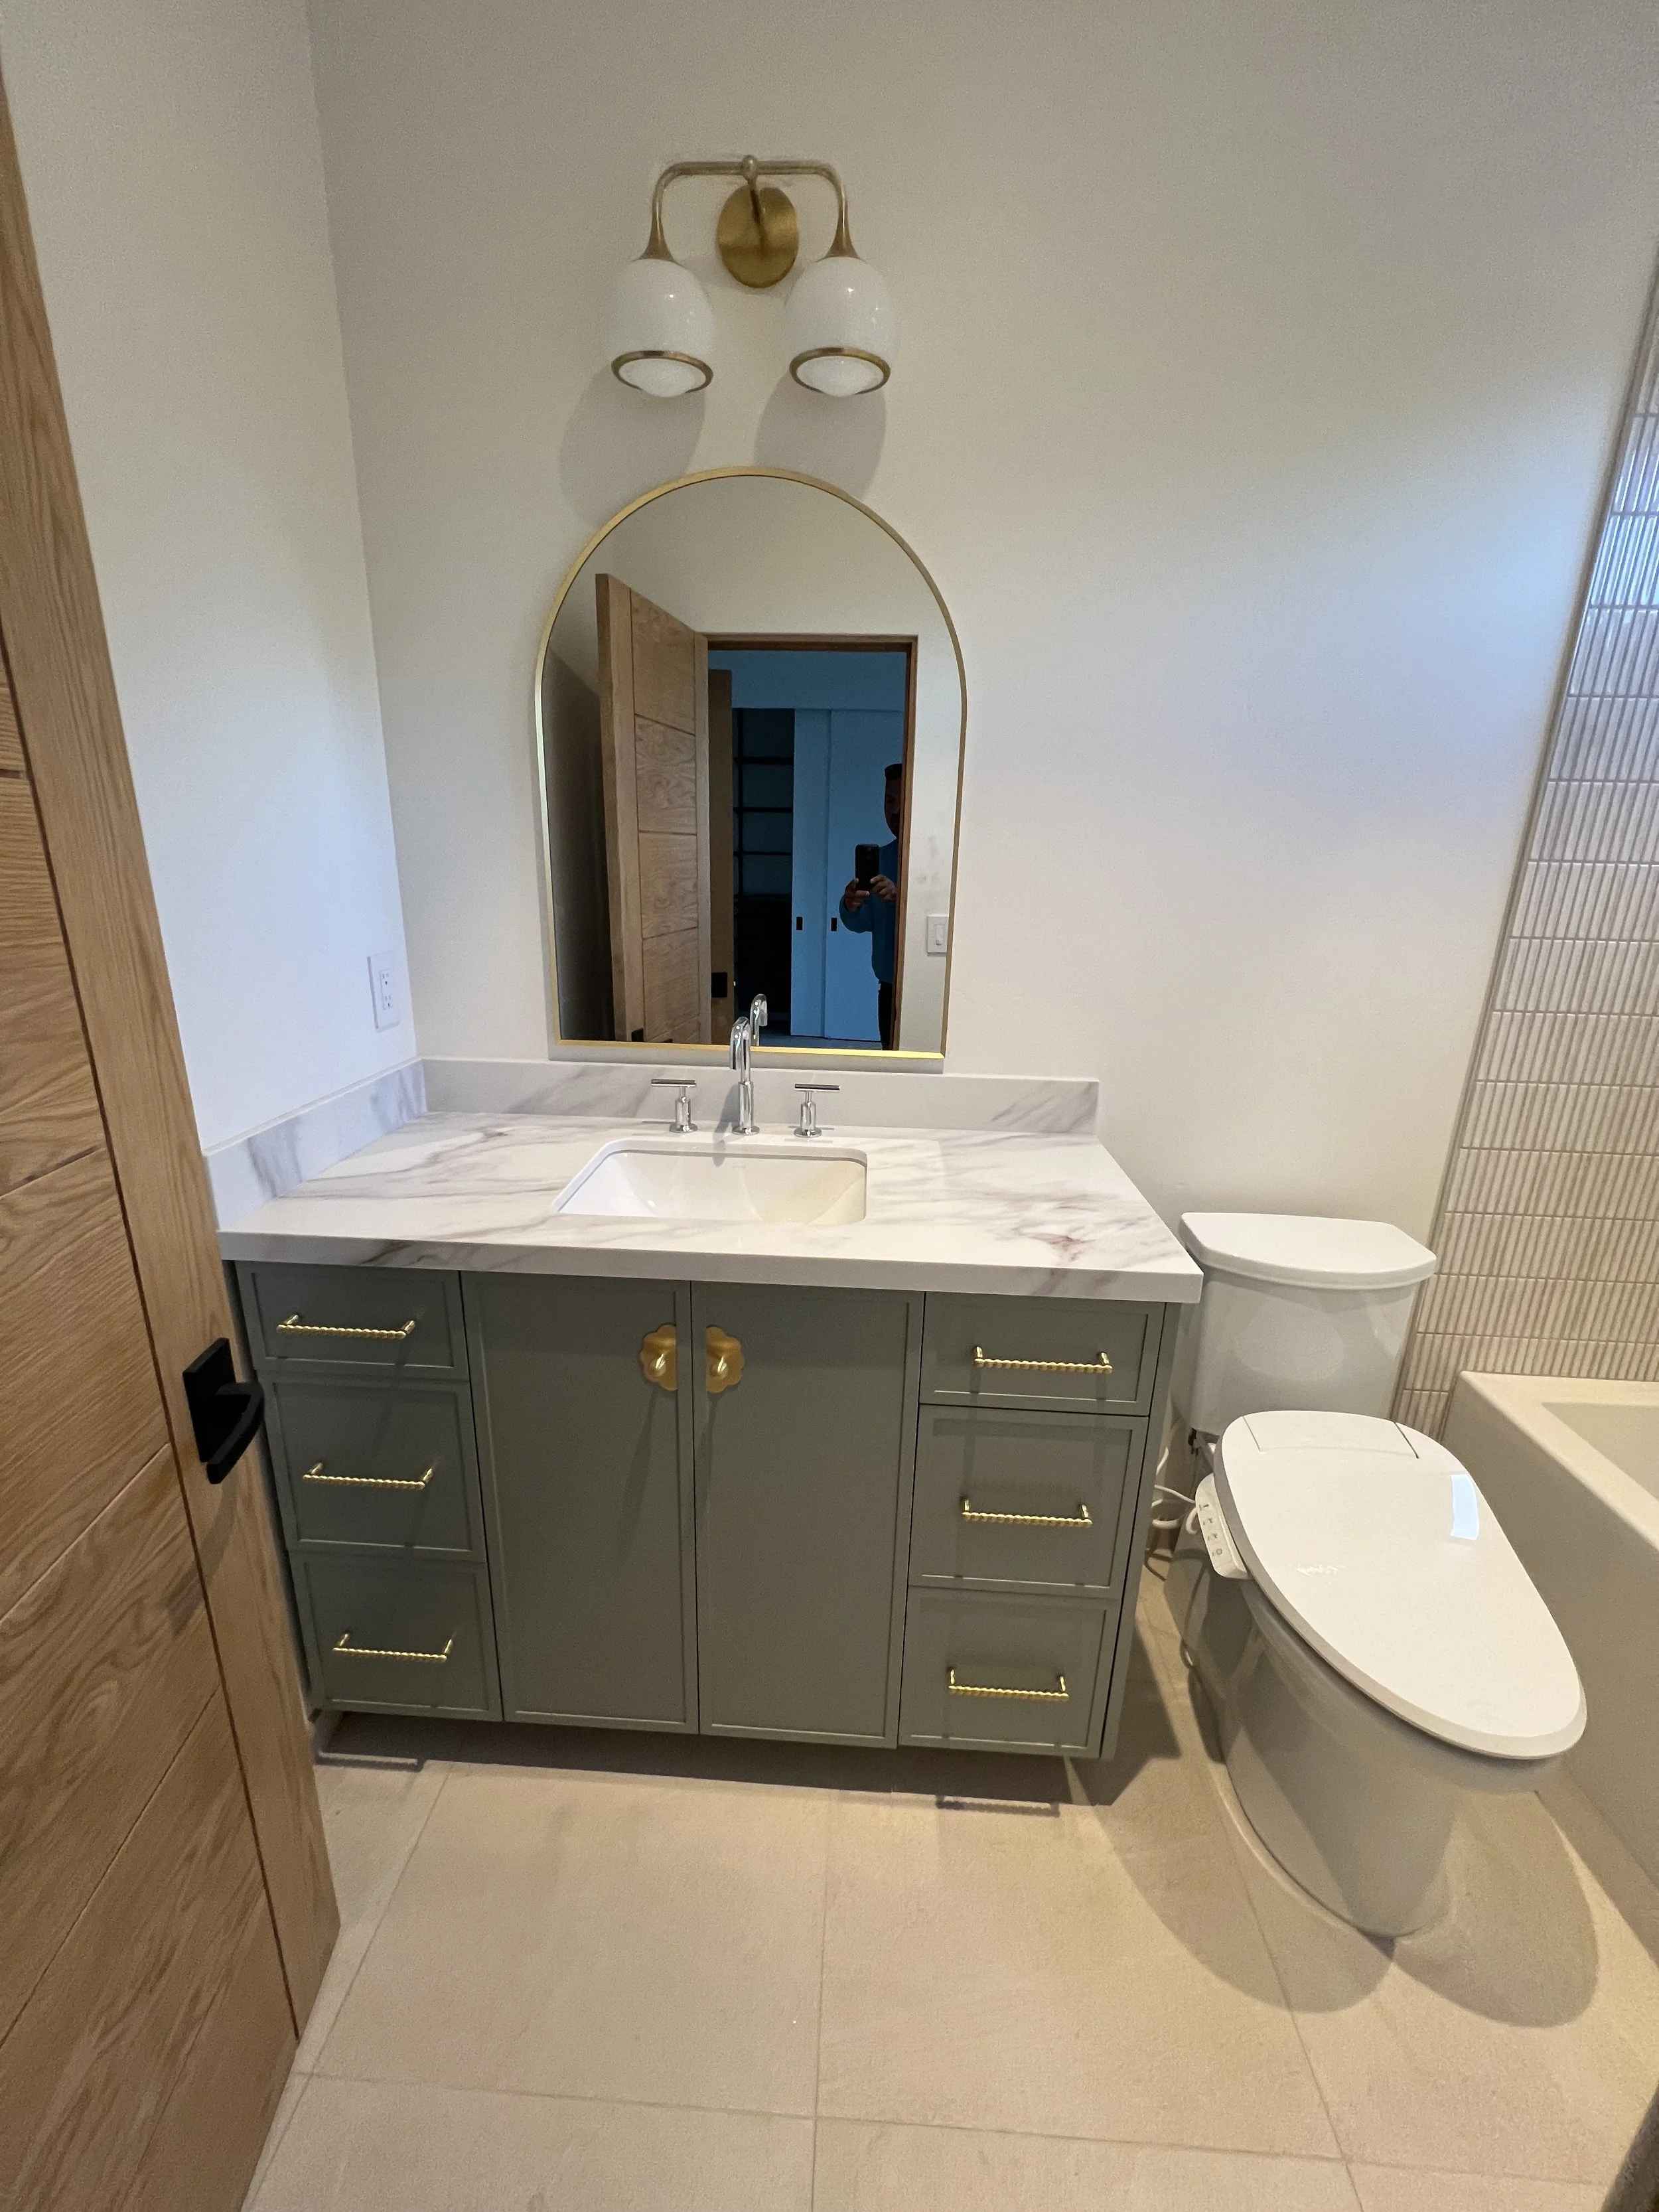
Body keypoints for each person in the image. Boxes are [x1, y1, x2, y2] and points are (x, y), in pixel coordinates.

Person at [839, 760, 903, 1048]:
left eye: (901, 801)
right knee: (890, 1069)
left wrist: (901, 898)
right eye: (889, 800)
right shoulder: (884, 858)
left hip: (928, 988)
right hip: (887, 991)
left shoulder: (939, 861)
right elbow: (863, 924)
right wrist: (851, 905)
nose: (894, 810)